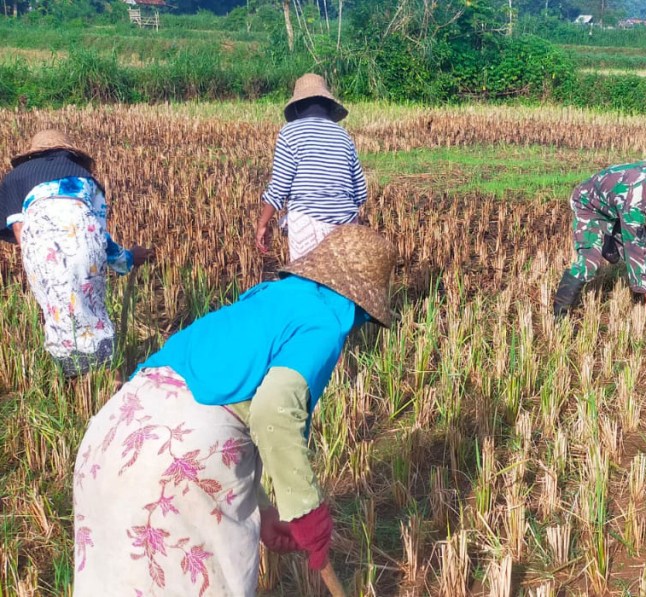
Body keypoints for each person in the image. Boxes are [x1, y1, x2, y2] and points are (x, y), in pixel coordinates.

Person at [72, 225, 395, 595]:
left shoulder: (264, 302)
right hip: (177, 470)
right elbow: (273, 412)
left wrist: (265, 510)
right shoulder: (323, 321)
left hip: (109, 441)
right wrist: (304, 508)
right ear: (358, 305)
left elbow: (214, 406)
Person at [0, 129, 153, 377]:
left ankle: (71, 376)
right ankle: (105, 376)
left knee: (56, 312)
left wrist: (39, 264)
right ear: (69, 154)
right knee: (93, 310)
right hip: (85, 246)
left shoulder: (14, 178)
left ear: (31, 156)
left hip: (41, 250)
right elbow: (98, 233)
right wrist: (128, 259)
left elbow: (20, 231)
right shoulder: (86, 179)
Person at [553, 160, 646, 318]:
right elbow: (635, 248)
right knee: (590, 263)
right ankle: (560, 315)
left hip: (614, 204)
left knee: (622, 252)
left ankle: (611, 245)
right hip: (589, 204)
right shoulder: (635, 201)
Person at [256, 73, 368, 261]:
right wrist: (337, 210)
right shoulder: (343, 135)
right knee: (338, 284)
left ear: (297, 107)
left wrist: (262, 224)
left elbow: (279, 188)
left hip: (308, 220)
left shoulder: (290, 133)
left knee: (307, 282)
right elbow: (361, 192)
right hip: (346, 224)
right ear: (328, 106)